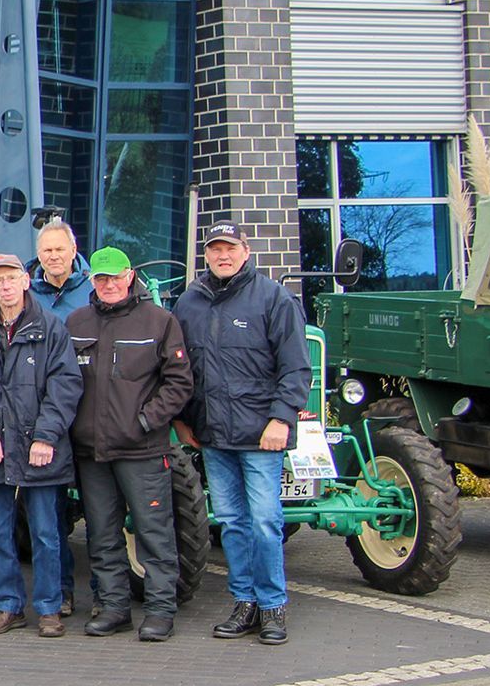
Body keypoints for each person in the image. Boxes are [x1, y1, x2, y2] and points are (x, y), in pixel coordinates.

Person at [174, 221, 311, 647]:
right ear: (206, 255)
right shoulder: (189, 303)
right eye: (215, 249)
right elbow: (181, 369)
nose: (223, 256)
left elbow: (295, 366)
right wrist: (182, 419)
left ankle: (272, 606)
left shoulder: (273, 298)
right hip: (213, 437)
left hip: (261, 436)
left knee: (266, 522)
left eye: (230, 248)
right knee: (232, 524)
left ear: (245, 252)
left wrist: (281, 419)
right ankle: (244, 602)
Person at [68, 247, 195, 642]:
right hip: (91, 452)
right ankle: (114, 607)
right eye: (101, 278)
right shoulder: (77, 322)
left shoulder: (159, 321)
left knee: (154, 534)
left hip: (142, 450)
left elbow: (179, 383)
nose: (108, 284)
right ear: (92, 281)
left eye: (115, 277)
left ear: (130, 276)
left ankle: (160, 611)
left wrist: (144, 421)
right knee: (102, 534)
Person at [0, 255, 83, 637]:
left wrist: (46, 436)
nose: (6, 285)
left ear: (26, 281)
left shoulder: (51, 327)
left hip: (40, 449)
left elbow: (65, 386)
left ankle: (49, 608)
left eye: (12, 278)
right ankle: (9, 606)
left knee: (46, 534)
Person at [28, 220, 92, 320]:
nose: (54, 256)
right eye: (48, 250)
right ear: (39, 255)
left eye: (59, 250)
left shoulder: (93, 286)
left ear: (73, 250)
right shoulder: (26, 291)